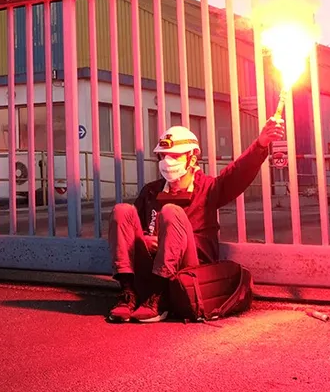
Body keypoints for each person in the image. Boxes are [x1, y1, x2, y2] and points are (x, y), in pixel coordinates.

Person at [107, 119, 285, 323]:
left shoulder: (208, 188)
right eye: (163, 156)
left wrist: (261, 143)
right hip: (150, 266)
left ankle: (159, 298)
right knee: (122, 211)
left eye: (174, 156)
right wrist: (146, 240)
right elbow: (129, 233)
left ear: (192, 159)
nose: (167, 162)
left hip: (187, 273)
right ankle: (128, 294)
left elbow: (237, 174)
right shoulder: (151, 191)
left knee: (171, 212)